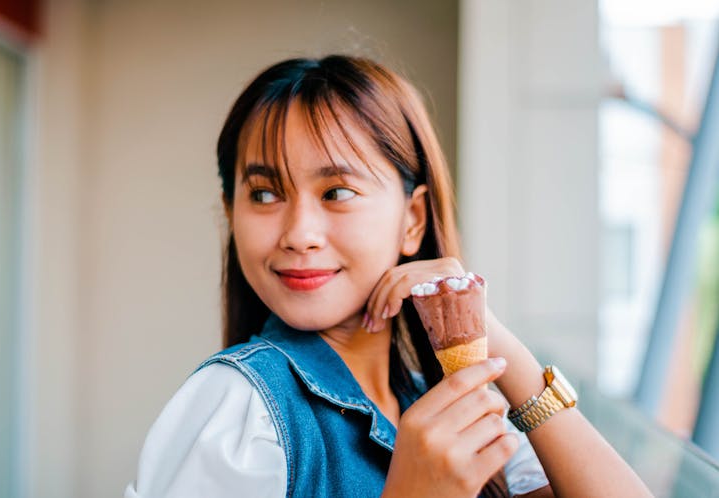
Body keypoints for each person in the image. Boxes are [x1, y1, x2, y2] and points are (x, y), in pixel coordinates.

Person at [125, 55, 652, 498]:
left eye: (336, 192)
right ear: (231, 212)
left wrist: (491, 336)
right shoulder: (241, 408)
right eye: (264, 194)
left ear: (413, 220)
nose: (299, 233)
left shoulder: (444, 405)